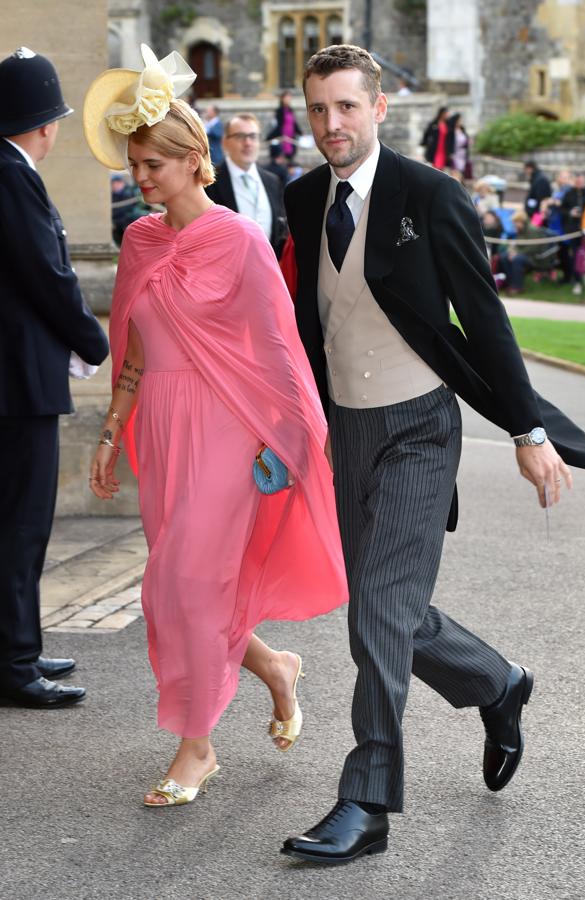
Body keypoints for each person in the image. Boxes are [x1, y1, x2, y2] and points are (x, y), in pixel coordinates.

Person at [281, 43, 585, 865]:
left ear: (379, 108)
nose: (331, 124)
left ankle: (366, 801)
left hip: (422, 426)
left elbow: (484, 321)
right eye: (318, 109)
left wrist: (527, 432)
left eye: (346, 107)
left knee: (378, 613)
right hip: (347, 429)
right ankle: (496, 683)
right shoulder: (298, 199)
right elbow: (306, 325)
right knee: (389, 610)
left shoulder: (429, 196)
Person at [83, 45, 347, 806]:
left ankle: (195, 748)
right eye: (132, 166)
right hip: (162, 431)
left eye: (151, 166)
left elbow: (276, 349)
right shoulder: (139, 241)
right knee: (177, 587)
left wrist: (287, 436)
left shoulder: (236, 240)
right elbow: (132, 352)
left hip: (229, 431)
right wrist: (111, 431)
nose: (139, 180)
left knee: (187, 580)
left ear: (193, 159)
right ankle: (273, 666)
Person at [0, 48, 109, 708]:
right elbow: (49, 273)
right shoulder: (13, 176)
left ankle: (21, 645)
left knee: (17, 524)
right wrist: (91, 338)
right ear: (45, 125)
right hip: (18, 381)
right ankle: (15, 663)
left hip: (15, 377)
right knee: (21, 526)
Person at [205, 113, 288, 258]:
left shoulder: (273, 181)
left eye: (253, 136)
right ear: (225, 142)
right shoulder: (209, 182)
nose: (248, 142)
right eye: (240, 136)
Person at [498, 209, 559, 294]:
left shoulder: (532, 230)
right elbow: (519, 245)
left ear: (522, 221)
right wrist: (512, 251)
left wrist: (516, 253)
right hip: (524, 255)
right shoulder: (519, 230)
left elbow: (533, 248)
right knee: (504, 257)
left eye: (516, 222)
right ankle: (509, 283)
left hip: (535, 258)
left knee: (517, 260)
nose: (514, 224)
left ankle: (517, 287)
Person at [560, 173, 585, 294]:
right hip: (573, 230)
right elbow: (562, 210)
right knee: (575, 255)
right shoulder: (569, 193)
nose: (579, 184)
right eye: (577, 182)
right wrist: (570, 213)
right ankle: (577, 280)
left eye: (581, 182)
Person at [110, 172, 147, 245]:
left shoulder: (128, 192)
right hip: (119, 220)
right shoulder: (113, 195)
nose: (115, 185)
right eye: (113, 183)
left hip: (128, 218)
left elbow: (125, 208)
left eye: (117, 183)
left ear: (121, 183)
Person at [266, 90, 302, 161]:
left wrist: (300, 132)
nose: (288, 99)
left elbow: (294, 123)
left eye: (289, 97)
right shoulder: (279, 110)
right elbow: (279, 125)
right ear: (282, 99)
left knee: (291, 153)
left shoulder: (291, 110)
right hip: (283, 135)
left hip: (291, 134)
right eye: (287, 97)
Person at [420, 104, 448, 169]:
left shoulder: (447, 124)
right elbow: (427, 133)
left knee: (442, 167)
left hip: (443, 148)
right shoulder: (434, 123)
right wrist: (425, 143)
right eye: (446, 113)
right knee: (435, 166)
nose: (447, 115)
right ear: (442, 113)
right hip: (435, 148)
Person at [445, 112, 471, 181]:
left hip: (462, 153)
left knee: (462, 172)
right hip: (455, 154)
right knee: (455, 172)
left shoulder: (462, 129)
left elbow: (466, 139)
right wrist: (450, 154)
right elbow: (449, 143)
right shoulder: (451, 131)